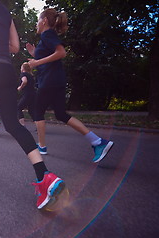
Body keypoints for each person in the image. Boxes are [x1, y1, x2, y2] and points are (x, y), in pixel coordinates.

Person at [0, 0, 64, 209]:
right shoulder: (6, 13)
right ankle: (44, 175)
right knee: (12, 124)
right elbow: (15, 47)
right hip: (5, 69)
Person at [27, 8, 113, 161]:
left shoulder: (48, 34)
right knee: (61, 114)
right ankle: (98, 141)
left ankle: (42, 146)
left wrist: (36, 62)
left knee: (37, 111)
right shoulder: (46, 38)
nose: (36, 24)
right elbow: (50, 55)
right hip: (56, 80)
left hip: (49, 81)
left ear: (44, 21)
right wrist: (35, 54)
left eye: (38, 20)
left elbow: (61, 53)